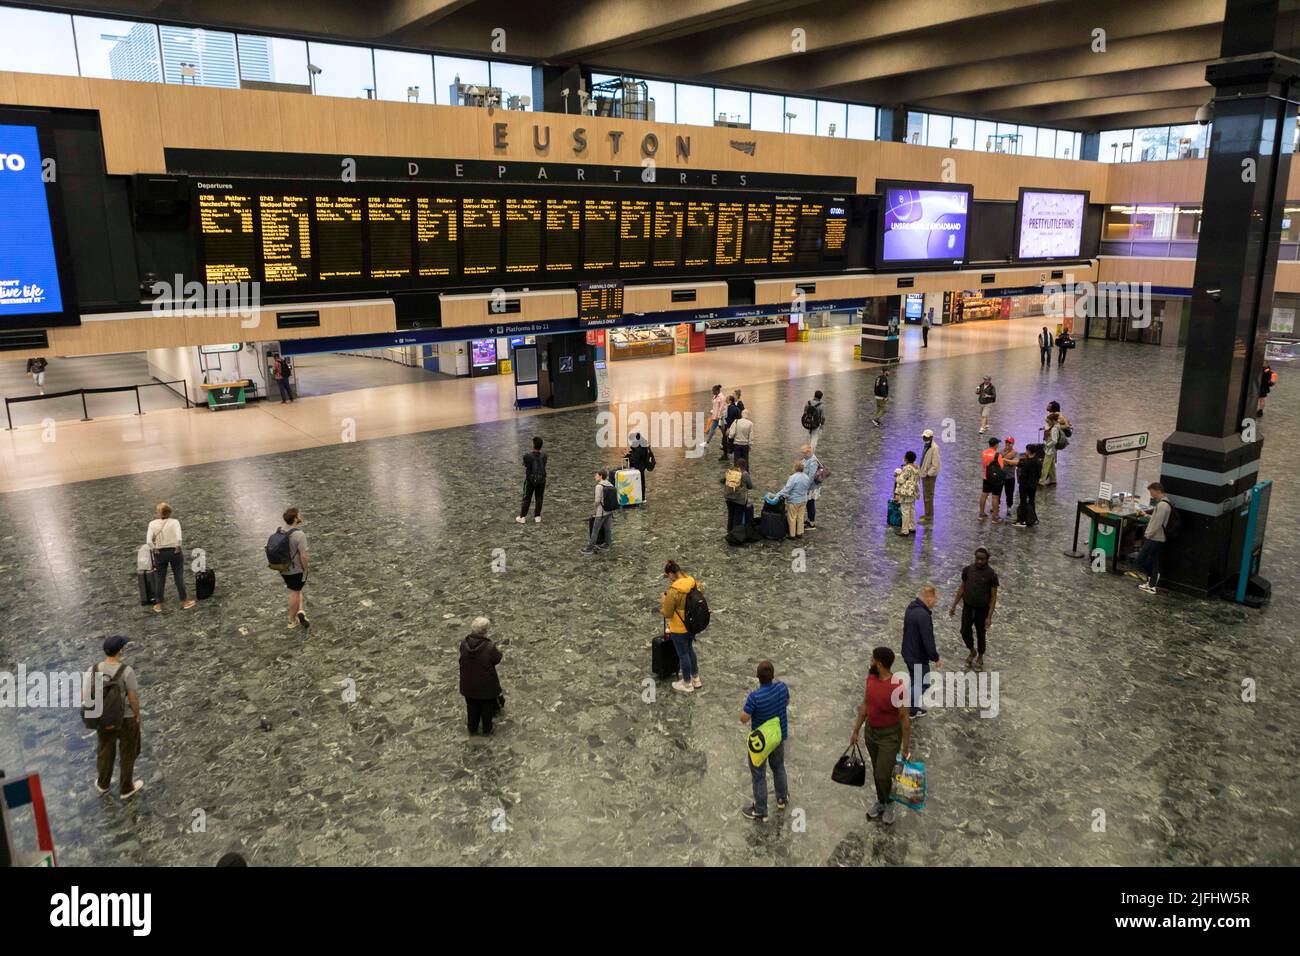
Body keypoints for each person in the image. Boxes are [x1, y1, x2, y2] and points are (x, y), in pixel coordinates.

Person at [850, 646, 911, 826]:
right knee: (878, 772)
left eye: (872, 659)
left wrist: (905, 747)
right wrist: (856, 730)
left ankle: (890, 803)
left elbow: (904, 718)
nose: (870, 661)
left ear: (880, 664)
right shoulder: (871, 679)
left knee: (884, 774)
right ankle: (881, 801)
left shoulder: (897, 687)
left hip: (889, 736)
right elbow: (865, 706)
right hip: (871, 733)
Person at [81, 635, 143, 799]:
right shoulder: (127, 671)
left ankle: (103, 784)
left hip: (104, 720)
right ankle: (126, 788)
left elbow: (84, 697)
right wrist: (137, 715)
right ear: (120, 651)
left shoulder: (92, 670)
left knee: (105, 751)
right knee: (127, 753)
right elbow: (132, 698)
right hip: (126, 719)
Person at [740, 660, 790, 822]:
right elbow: (787, 702)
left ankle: (761, 810)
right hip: (777, 738)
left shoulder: (754, 697)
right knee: (779, 767)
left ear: (757, 677)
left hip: (761, 744)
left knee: (759, 775)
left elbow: (744, 718)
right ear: (773, 675)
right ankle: (782, 798)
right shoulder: (782, 688)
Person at [949, 547, 999, 671]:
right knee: (964, 631)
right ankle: (972, 651)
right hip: (968, 607)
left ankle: (980, 656)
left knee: (981, 634)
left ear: (987, 559)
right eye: (977, 558)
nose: (979, 561)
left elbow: (993, 597)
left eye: (982, 559)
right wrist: (954, 605)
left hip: (982, 609)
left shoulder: (991, 575)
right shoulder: (968, 570)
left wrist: (989, 617)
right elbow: (962, 589)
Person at [146, 502, 195, 612]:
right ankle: (185, 602)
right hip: (174, 552)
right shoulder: (175, 522)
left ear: (159, 513)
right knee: (179, 577)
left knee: (160, 578)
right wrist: (177, 547)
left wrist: (154, 549)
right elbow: (179, 538)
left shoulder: (152, 524)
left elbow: (148, 541)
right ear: (169, 512)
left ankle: (158, 604)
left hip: (160, 553)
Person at [661, 560, 702, 693]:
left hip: (679, 628)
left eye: (669, 576)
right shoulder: (692, 582)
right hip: (692, 625)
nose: (669, 579)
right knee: (690, 650)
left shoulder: (674, 591)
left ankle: (687, 683)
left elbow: (667, 613)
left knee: (683, 654)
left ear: (672, 574)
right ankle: (696, 679)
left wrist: (663, 601)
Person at [459, 616, 503, 735]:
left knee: (471, 708)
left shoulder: (464, 643)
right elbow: (497, 658)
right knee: (486, 711)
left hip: (468, 685)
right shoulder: (489, 647)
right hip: (486, 687)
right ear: (486, 630)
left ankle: (472, 730)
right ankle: (487, 732)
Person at [901, 585, 941, 718]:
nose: (936, 602)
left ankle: (912, 710)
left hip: (908, 652)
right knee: (923, 683)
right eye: (936, 599)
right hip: (917, 657)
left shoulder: (912, 607)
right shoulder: (923, 615)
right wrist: (935, 657)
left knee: (915, 681)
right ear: (929, 598)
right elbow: (927, 639)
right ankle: (904, 707)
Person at [278, 507, 310, 630]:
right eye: (299, 515)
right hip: (295, 570)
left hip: (283, 568)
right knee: (294, 592)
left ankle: (300, 610)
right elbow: (304, 556)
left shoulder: (280, 531)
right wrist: (306, 569)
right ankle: (291, 620)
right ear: (295, 518)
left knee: (297, 588)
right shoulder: (299, 535)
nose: (300, 516)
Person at [1137, 482, 1172, 593]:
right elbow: (1156, 519)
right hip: (1158, 538)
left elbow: (1157, 523)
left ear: (1158, 491)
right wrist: (1146, 515)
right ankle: (1151, 585)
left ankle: (1153, 577)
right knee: (1153, 561)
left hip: (1154, 538)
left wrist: (1148, 534)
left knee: (1141, 559)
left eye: (1152, 493)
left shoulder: (1162, 505)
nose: (1152, 495)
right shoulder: (1165, 503)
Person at [775, 458, 813, 539]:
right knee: (800, 516)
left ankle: (792, 534)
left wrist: (777, 495)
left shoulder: (793, 477)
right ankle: (799, 533)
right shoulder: (806, 477)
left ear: (795, 468)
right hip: (803, 500)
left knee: (792, 517)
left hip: (794, 501)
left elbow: (787, 489)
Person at [582, 468, 615, 555]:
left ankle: (590, 548)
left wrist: (594, 509)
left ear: (600, 476)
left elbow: (597, 501)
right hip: (609, 511)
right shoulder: (610, 484)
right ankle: (607, 544)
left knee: (595, 530)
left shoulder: (599, 486)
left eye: (596, 475)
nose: (595, 476)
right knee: (608, 529)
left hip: (601, 512)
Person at [517, 435, 547, 524]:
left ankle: (522, 517)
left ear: (533, 445)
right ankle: (537, 516)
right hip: (541, 480)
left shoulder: (527, 456)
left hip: (530, 480)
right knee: (539, 497)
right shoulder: (544, 456)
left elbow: (526, 465)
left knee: (527, 497)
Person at [1012, 443, 1044, 528]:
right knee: (1031, 501)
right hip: (1033, 485)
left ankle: (1022, 520)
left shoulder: (1026, 462)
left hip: (1024, 485)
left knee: (1023, 502)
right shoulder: (1038, 461)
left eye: (1026, 450)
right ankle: (1032, 519)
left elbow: (1023, 474)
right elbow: (1039, 474)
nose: (1025, 451)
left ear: (1029, 451)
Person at [978, 437, 1006, 523]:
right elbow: (1001, 467)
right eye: (998, 443)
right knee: (995, 497)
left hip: (986, 477)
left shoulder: (984, 453)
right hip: (995, 479)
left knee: (984, 495)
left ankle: (981, 514)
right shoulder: (997, 455)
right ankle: (995, 517)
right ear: (995, 445)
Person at [721, 461, 753, 531]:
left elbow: (722, 481)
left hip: (729, 498)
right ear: (745, 465)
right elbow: (750, 486)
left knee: (730, 516)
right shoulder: (745, 474)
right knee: (737, 518)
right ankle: (736, 535)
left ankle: (729, 532)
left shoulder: (730, 472)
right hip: (740, 500)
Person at [918, 428, 941, 524]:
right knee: (926, 495)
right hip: (925, 474)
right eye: (923, 437)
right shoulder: (927, 445)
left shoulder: (934, 448)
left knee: (928, 496)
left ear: (931, 437)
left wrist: (928, 474)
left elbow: (935, 465)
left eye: (926, 437)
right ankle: (927, 514)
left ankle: (928, 516)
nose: (924, 438)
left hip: (929, 477)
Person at [894, 450, 920, 537]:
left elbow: (901, 480)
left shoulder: (907, 468)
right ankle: (912, 527)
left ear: (907, 459)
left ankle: (905, 531)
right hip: (913, 492)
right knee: (912, 510)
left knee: (905, 511)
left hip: (906, 493)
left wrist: (897, 474)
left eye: (905, 457)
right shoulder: (916, 467)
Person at [626, 431, 654, 502]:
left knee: (638, 483)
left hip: (638, 468)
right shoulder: (643, 445)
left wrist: (629, 456)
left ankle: (639, 498)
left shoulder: (639, 448)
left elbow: (635, 459)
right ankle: (642, 497)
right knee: (642, 482)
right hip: (642, 467)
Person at [801, 442, 822, 529]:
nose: (803, 455)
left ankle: (812, 523)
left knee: (810, 504)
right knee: (808, 504)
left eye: (804, 453)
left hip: (811, 487)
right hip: (808, 486)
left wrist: (805, 487)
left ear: (808, 452)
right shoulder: (806, 458)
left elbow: (811, 477)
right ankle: (809, 520)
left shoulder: (813, 461)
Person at [1040, 412, 1062, 487]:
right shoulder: (1056, 426)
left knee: (1045, 466)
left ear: (1052, 420)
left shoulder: (1054, 429)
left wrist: (1047, 444)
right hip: (1053, 450)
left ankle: (1041, 481)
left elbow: (1054, 441)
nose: (1048, 422)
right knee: (1052, 466)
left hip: (1050, 450)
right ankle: (1053, 480)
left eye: (1049, 421)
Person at [999, 437, 1020, 515]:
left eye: (1009, 443)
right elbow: (998, 462)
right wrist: (1008, 461)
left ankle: (1009, 507)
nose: (1007, 444)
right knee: (998, 492)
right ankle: (996, 505)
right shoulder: (1001, 451)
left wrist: (1005, 460)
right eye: (1006, 442)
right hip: (1000, 476)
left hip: (1010, 477)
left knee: (1009, 493)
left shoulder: (1016, 453)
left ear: (1012, 444)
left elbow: (1015, 462)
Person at [720, 393, 740, 461]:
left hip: (730, 426)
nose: (726, 399)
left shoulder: (731, 408)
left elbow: (730, 418)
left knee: (725, 441)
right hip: (733, 426)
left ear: (730, 401)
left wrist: (728, 428)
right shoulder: (733, 407)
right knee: (727, 441)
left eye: (727, 398)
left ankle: (727, 455)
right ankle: (727, 454)